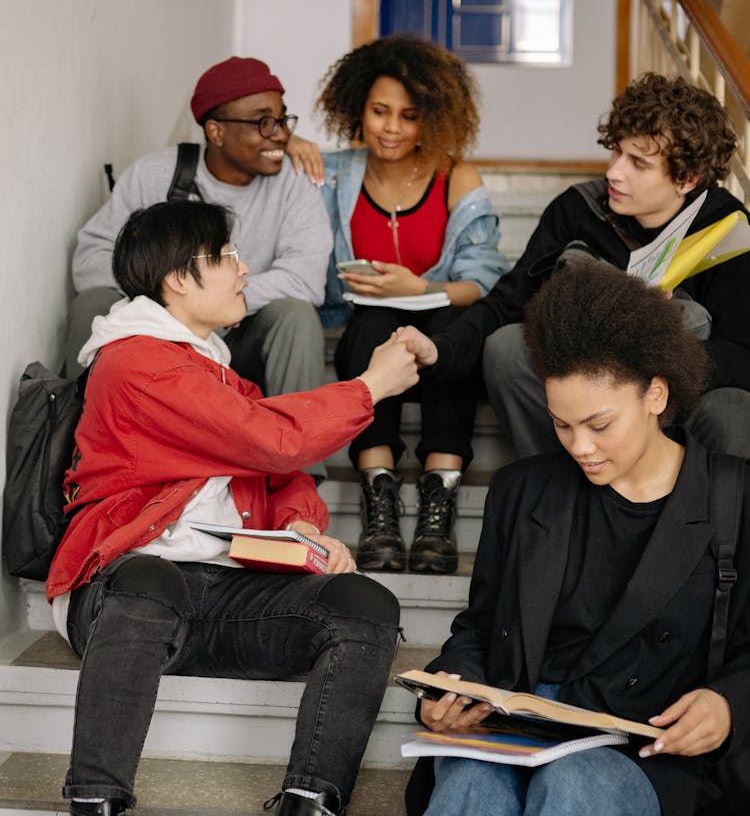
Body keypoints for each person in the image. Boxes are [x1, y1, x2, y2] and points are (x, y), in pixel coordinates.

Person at [47, 199, 420, 816]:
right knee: (152, 577)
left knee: (364, 605)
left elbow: (280, 472)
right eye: (226, 255)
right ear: (180, 279)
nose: (243, 266)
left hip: (217, 596)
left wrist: (303, 528)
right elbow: (273, 437)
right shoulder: (135, 361)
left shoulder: (211, 362)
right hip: (124, 593)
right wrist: (366, 385)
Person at [390, 257, 750, 816]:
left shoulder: (733, 496)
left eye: (599, 424)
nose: (579, 446)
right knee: (468, 794)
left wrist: (729, 700)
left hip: (643, 743)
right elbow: (479, 629)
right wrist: (456, 684)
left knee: (575, 793)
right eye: (561, 423)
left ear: (656, 393)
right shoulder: (526, 491)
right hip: (522, 721)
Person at [396, 72, 750, 461]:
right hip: (579, 389)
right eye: (617, 152)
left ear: (687, 178)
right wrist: (441, 349)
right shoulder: (577, 209)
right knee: (506, 347)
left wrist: (650, 348)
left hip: (664, 396)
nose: (614, 172)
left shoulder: (728, 233)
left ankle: (690, 515)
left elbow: (740, 355)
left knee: (731, 409)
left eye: (638, 163)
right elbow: (506, 302)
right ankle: (562, 490)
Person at [68, 56, 330, 467]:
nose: (280, 135)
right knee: (92, 303)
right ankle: (76, 463)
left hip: (244, 331)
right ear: (216, 131)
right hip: (159, 342)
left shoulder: (295, 182)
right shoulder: (156, 174)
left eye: (283, 120)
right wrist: (172, 308)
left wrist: (221, 302)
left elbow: (307, 278)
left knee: (296, 316)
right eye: (263, 122)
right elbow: (91, 257)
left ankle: (298, 476)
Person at [317, 35, 505, 574]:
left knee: (453, 329)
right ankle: (379, 496)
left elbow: (485, 279)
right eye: (380, 112)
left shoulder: (457, 178)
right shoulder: (334, 174)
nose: (392, 128)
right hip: (364, 319)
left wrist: (417, 290)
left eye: (409, 115)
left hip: (442, 314)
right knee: (371, 326)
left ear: (436, 118)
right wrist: (297, 148)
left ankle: (437, 498)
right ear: (358, 109)